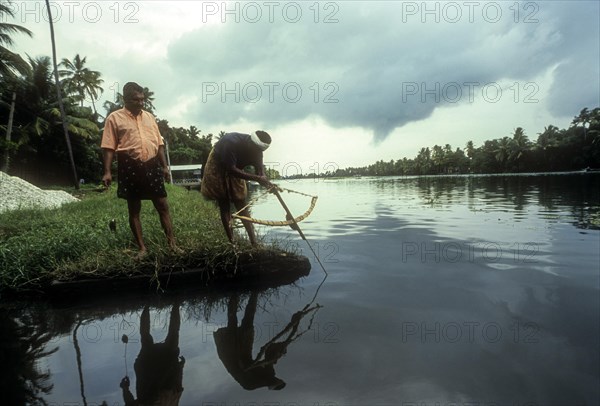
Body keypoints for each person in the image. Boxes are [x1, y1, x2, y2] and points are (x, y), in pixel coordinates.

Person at [101, 82, 178, 257]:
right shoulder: (114, 118)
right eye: (136, 100)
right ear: (126, 99)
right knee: (134, 208)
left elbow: (159, 144)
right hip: (129, 165)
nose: (141, 103)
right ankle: (142, 248)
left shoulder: (150, 117)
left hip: (152, 164)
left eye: (143, 99)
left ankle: (172, 244)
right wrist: (107, 171)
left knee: (162, 205)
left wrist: (165, 167)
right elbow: (108, 147)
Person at [201, 131, 276, 246]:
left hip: (237, 168)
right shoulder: (231, 142)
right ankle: (232, 242)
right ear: (250, 143)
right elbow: (231, 169)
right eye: (255, 150)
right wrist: (257, 178)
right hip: (219, 163)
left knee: (241, 202)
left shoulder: (258, 151)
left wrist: (269, 185)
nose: (257, 153)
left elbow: (261, 174)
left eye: (259, 152)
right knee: (224, 202)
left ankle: (254, 242)